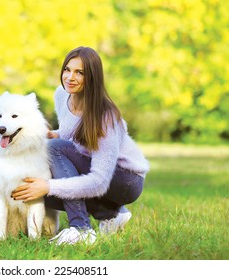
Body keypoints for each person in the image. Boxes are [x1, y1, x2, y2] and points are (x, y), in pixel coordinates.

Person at [12, 46, 149, 245]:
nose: (70, 77)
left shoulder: (105, 117)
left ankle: (81, 229)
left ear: (92, 77)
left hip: (125, 179)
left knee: (51, 164)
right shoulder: (62, 94)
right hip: (93, 166)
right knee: (34, 188)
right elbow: (75, 133)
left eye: (80, 73)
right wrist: (54, 134)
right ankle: (111, 214)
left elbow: (99, 181)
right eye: (67, 69)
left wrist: (48, 185)